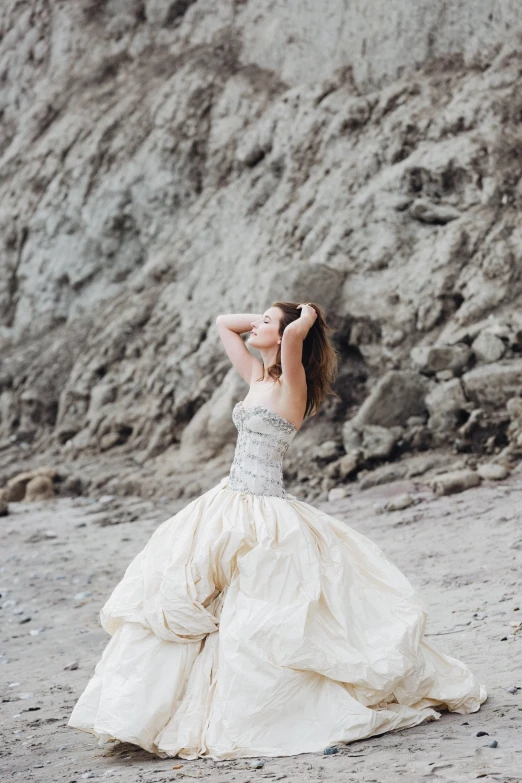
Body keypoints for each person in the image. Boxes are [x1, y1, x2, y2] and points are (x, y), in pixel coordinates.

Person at [67, 301, 487, 760]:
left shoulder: (292, 382)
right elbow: (223, 323)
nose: (259, 325)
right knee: (191, 600)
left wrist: (304, 318)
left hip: (263, 509)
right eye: (263, 320)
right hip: (226, 501)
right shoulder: (258, 378)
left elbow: (289, 339)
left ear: (292, 338)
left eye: (268, 321)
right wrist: (268, 321)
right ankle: (156, 710)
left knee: (257, 616)